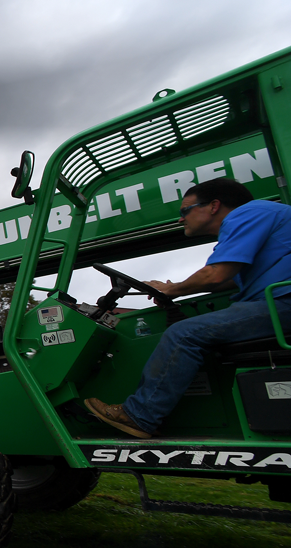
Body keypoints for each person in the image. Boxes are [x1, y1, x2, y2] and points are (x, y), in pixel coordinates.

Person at [85, 177, 291, 438]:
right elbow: (227, 281)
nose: (181, 219)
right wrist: (177, 287)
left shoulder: (249, 213)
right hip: (276, 303)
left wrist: (172, 289)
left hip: (283, 304)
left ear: (214, 206)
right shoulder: (264, 220)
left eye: (185, 211)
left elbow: (215, 274)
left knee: (183, 333)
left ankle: (139, 416)